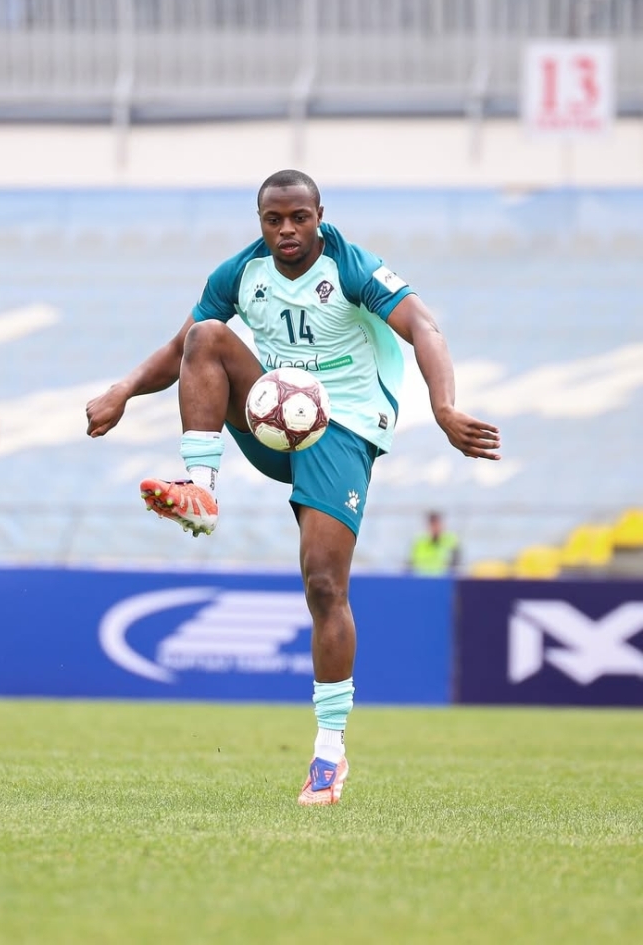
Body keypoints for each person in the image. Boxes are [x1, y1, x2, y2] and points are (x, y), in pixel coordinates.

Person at [85, 169, 500, 806]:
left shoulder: (352, 267)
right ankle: (201, 489)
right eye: (274, 219)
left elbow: (424, 327)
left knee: (324, 584)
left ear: (319, 216)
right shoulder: (240, 273)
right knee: (206, 336)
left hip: (344, 426)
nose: (286, 230)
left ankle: (329, 754)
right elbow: (178, 350)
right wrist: (122, 390)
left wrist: (443, 407)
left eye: (299, 218)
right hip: (273, 416)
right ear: (260, 221)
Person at [408, 511, 461, 575]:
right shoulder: (419, 541)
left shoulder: (451, 541)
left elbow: (455, 565)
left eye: (437, 524)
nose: (435, 528)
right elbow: (411, 563)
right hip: (422, 576)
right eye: (432, 524)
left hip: (444, 577)